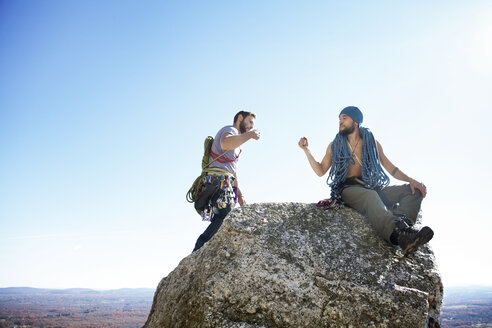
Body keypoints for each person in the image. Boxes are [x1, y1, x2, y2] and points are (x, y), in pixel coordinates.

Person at [298, 106, 434, 255]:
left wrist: (411, 180)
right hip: (348, 189)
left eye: (344, 118)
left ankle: (404, 228)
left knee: (412, 191)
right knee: (370, 197)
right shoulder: (334, 145)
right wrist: (307, 150)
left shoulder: (371, 143)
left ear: (355, 122)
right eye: (339, 119)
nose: (340, 122)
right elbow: (320, 170)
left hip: (371, 186)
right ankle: (397, 236)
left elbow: (391, 168)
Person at [193, 111, 260, 252]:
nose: (251, 126)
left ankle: (205, 248)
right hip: (218, 181)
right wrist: (250, 135)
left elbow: (233, 171)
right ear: (240, 118)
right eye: (250, 122)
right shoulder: (230, 130)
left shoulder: (237, 144)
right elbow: (225, 143)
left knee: (222, 216)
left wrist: (240, 196)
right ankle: (201, 247)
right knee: (225, 214)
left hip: (223, 181)